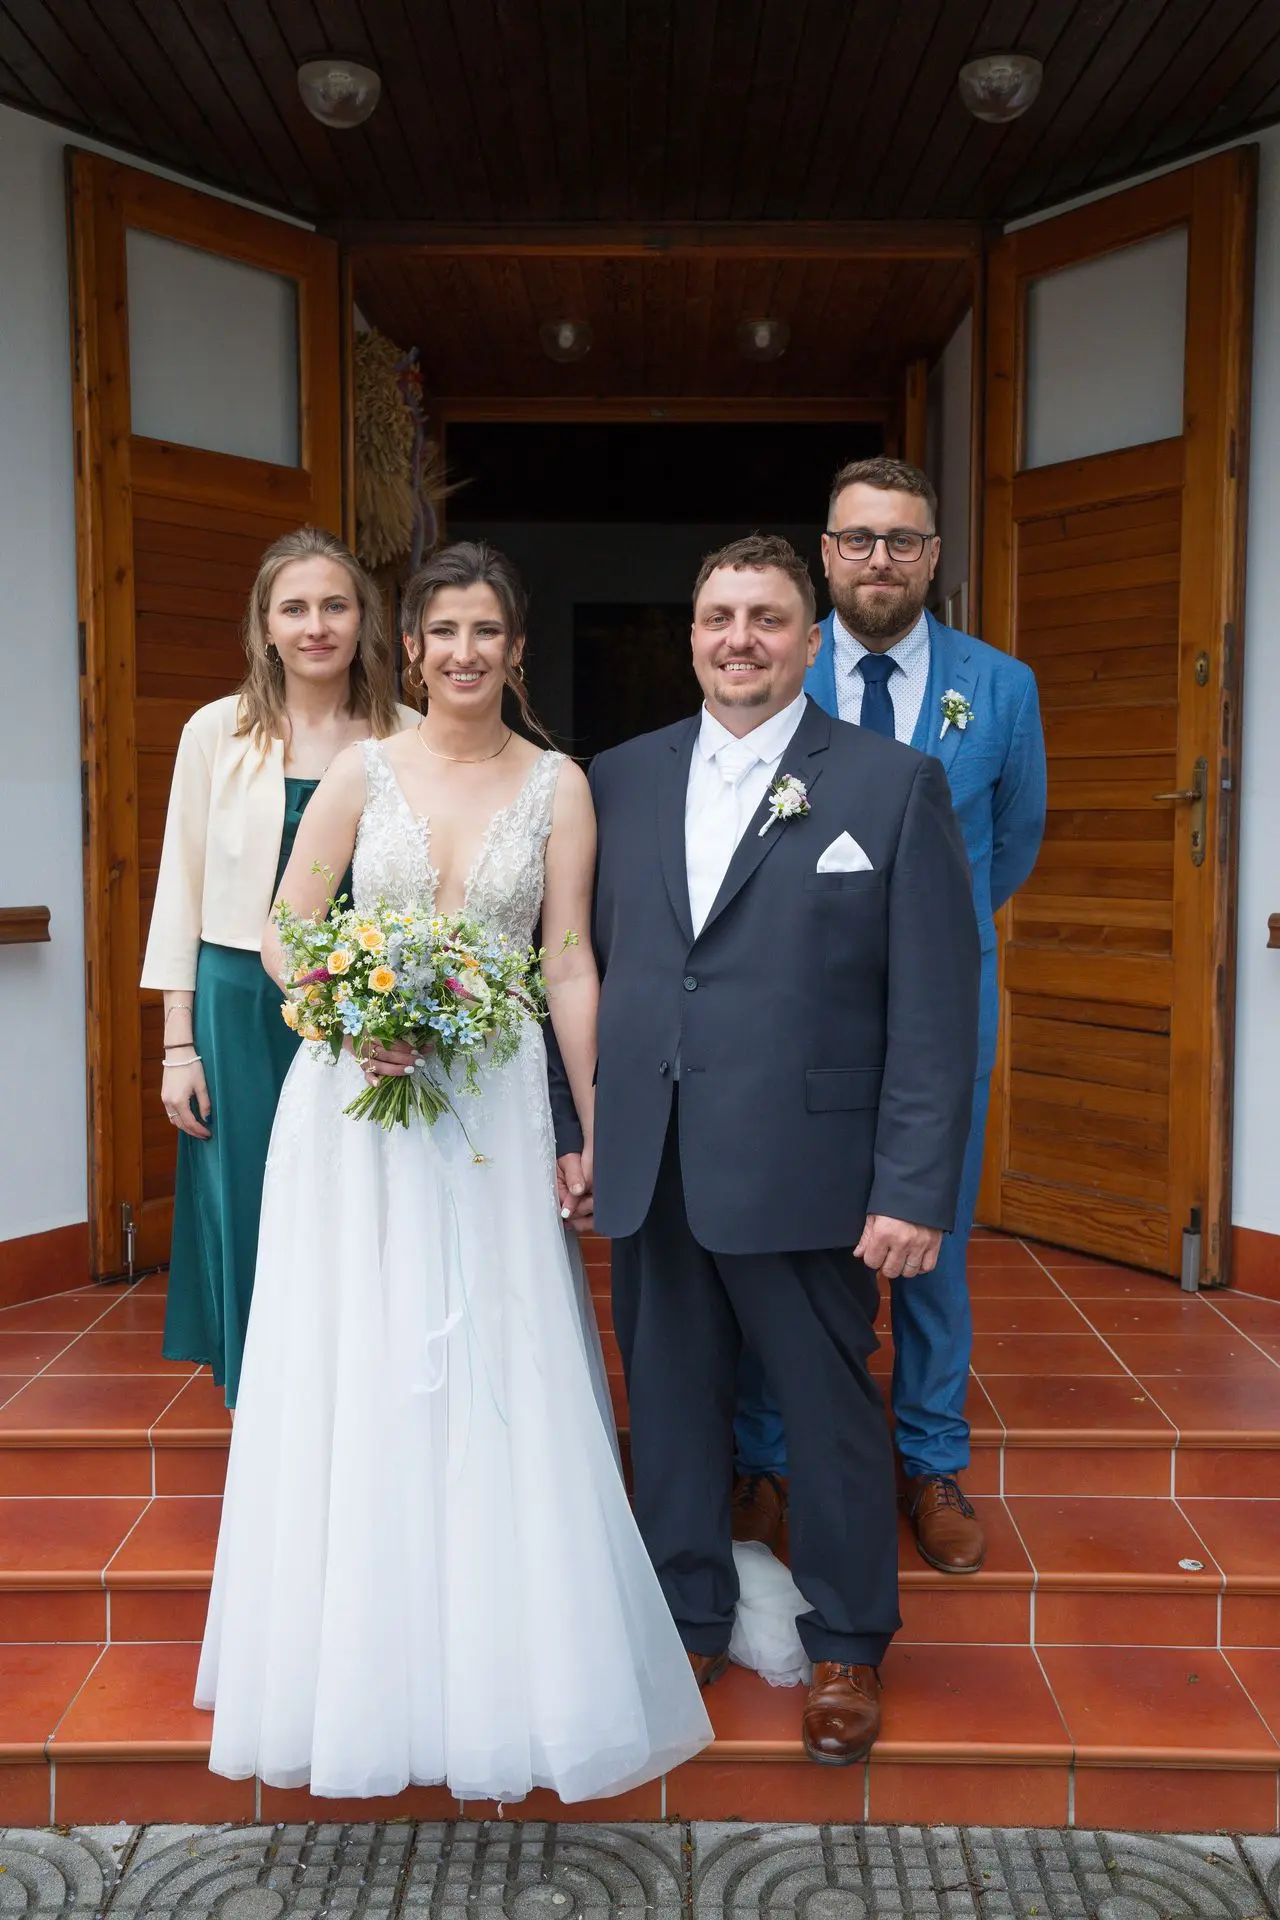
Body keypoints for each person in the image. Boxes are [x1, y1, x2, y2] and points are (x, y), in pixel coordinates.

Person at [196, 540, 712, 1803]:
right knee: (356, 1347)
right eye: (443, 633)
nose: (465, 653)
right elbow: (286, 929)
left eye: (488, 631)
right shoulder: (360, 772)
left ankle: (502, 1661)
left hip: (489, 1106)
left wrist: (595, 1124)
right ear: (413, 651)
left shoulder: (558, 786)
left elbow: (569, 962)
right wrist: (343, 1010)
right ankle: (354, 1663)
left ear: (515, 649)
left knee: (494, 1352)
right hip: (353, 1104)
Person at [552, 534, 980, 1764]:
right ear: (689, 635)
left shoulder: (891, 784)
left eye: (767, 618)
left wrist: (912, 1187)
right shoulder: (617, 777)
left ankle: (845, 1643)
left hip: (809, 1167)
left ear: (808, 638)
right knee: (669, 1404)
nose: (738, 639)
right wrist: (577, 1127)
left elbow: (932, 1009)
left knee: (829, 1414)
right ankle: (686, 1614)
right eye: (717, 617)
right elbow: (571, 961)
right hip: (653, 1154)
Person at [732, 458, 1047, 1575]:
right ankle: (765, 1455)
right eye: (857, 539)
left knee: (933, 1232)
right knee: (783, 1228)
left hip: (941, 1003)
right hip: (796, 999)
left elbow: (1011, 842)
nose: (879, 559)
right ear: (825, 554)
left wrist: (926, 941)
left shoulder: (999, 687)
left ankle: (931, 1458)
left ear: (932, 556)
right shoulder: (776, 663)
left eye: (901, 540)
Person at [141, 527, 416, 1408]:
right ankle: (267, 1404)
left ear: (364, 619)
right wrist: (177, 1045)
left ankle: (361, 1392)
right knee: (254, 1191)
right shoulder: (215, 732)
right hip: (239, 1001)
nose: (316, 626)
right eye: (294, 608)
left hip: (370, 1000)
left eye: (335, 606)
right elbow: (179, 888)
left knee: (366, 1192)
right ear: (264, 626)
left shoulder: (407, 734)